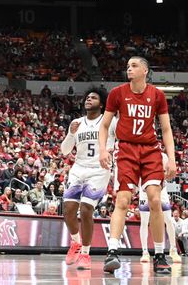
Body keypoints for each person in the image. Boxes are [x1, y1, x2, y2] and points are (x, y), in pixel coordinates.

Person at [99, 56, 176, 274]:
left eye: (134, 66)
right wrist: (103, 149)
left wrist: (171, 158)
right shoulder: (117, 93)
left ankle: (160, 255)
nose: (129, 69)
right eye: (127, 66)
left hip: (151, 150)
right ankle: (112, 251)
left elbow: (167, 129)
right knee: (122, 199)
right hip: (126, 149)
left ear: (145, 70)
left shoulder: (158, 95)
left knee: (154, 199)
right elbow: (104, 126)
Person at [60, 88, 117, 269]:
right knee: (68, 209)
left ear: (101, 104)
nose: (89, 99)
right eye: (87, 97)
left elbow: (121, 140)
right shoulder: (77, 122)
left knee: (85, 210)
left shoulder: (110, 121)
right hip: (78, 167)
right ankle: (75, 242)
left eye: (93, 97)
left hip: (99, 169)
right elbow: (65, 151)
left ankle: (85, 253)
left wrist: (112, 152)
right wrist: (70, 133)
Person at [139, 152, 180, 263]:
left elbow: (167, 174)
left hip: (160, 189)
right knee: (144, 221)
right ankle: (145, 252)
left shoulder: (163, 156)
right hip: (144, 190)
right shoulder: (140, 154)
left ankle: (173, 249)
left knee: (168, 220)